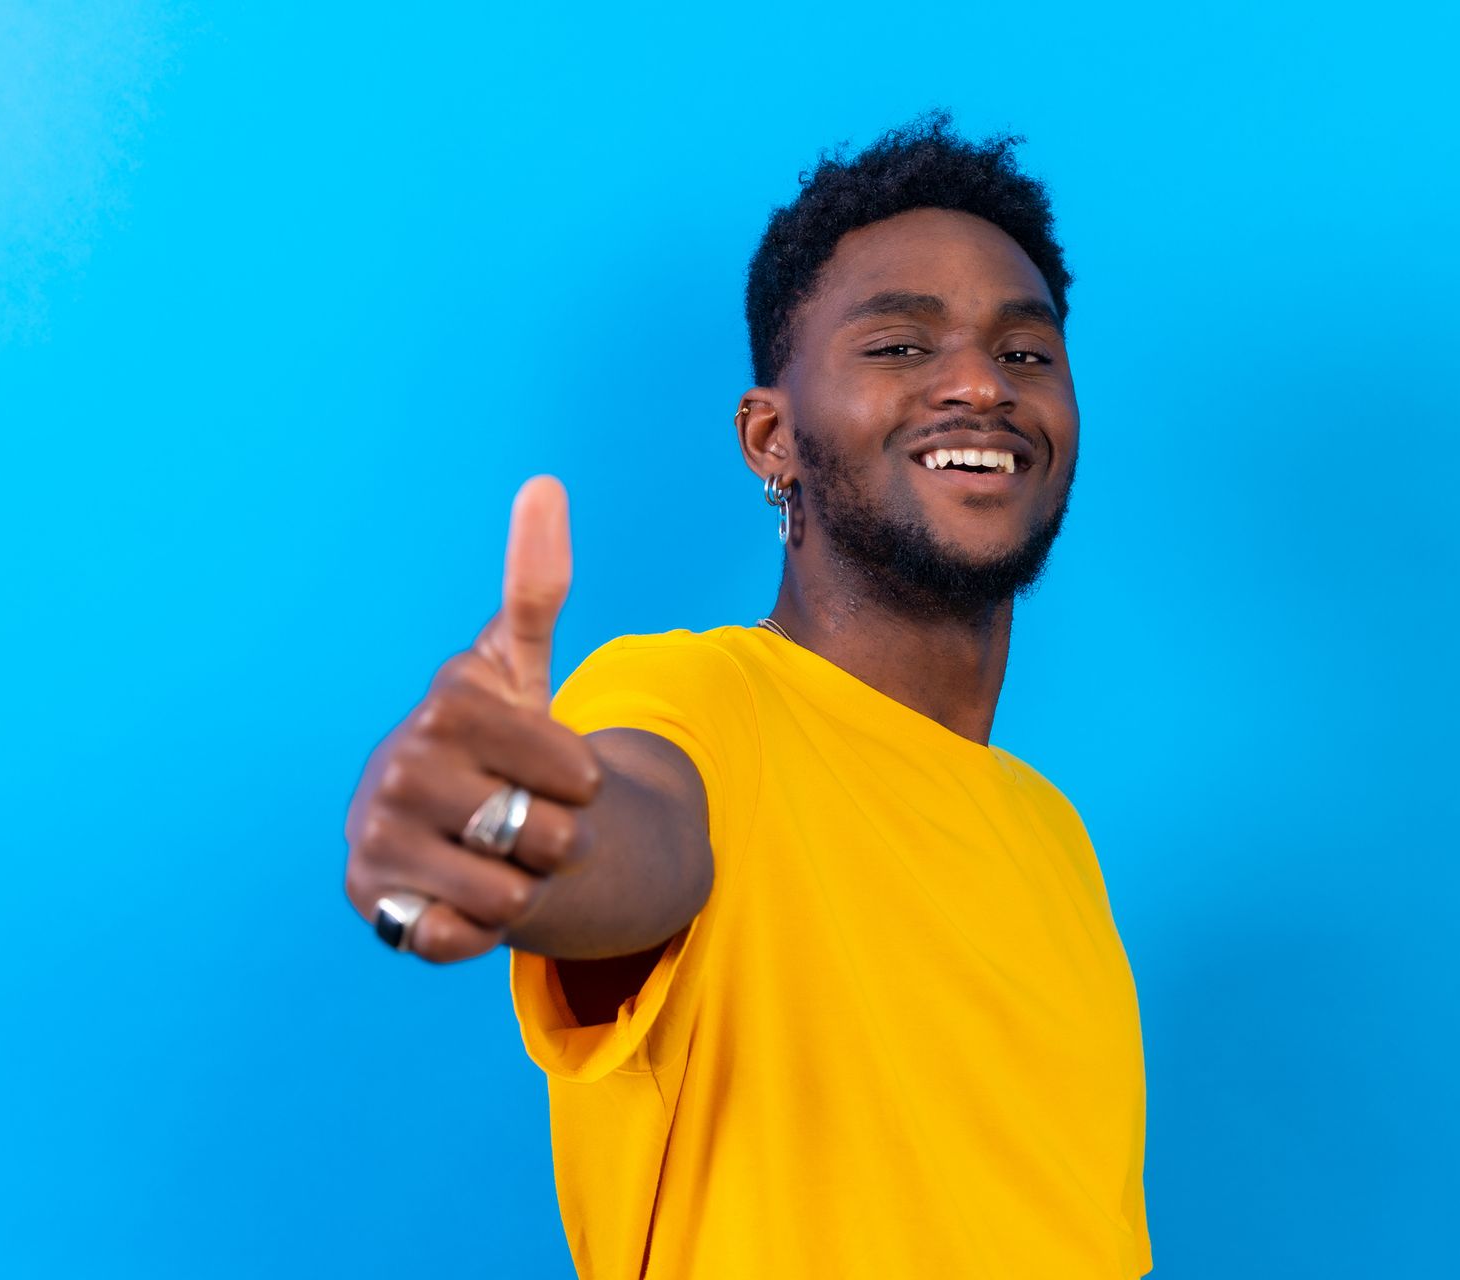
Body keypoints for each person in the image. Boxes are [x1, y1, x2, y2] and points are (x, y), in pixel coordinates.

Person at [343, 112, 1151, 1279]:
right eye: (901, 346)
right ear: (771, 438)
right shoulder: (697, 698)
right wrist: (506, 824)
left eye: (1026, 353)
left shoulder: (1055, 838)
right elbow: (635, 826)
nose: (981, 382)